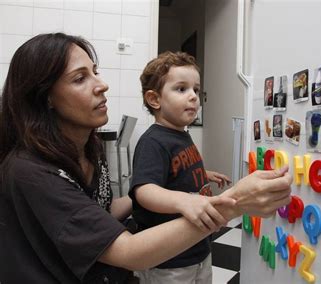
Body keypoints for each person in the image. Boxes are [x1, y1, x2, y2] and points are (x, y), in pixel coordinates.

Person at [0, 33, 293, 284]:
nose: (102, 85)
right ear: (45, 98)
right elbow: (129, 252)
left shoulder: (88, 148)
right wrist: (233, 203)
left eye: (95, 71)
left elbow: (98, 212)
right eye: (80, 78)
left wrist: (158, 186)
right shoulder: (30, 172)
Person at [129, 51, 238, 283]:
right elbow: (144, 190)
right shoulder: (153, 141)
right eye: (182, 89)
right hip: (169, 259)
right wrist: (183, 201)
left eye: (196, 90)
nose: (193, 97)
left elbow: (175, 171)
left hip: (197, 246)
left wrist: (203, 174)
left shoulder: (181, 135)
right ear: (155, 99)